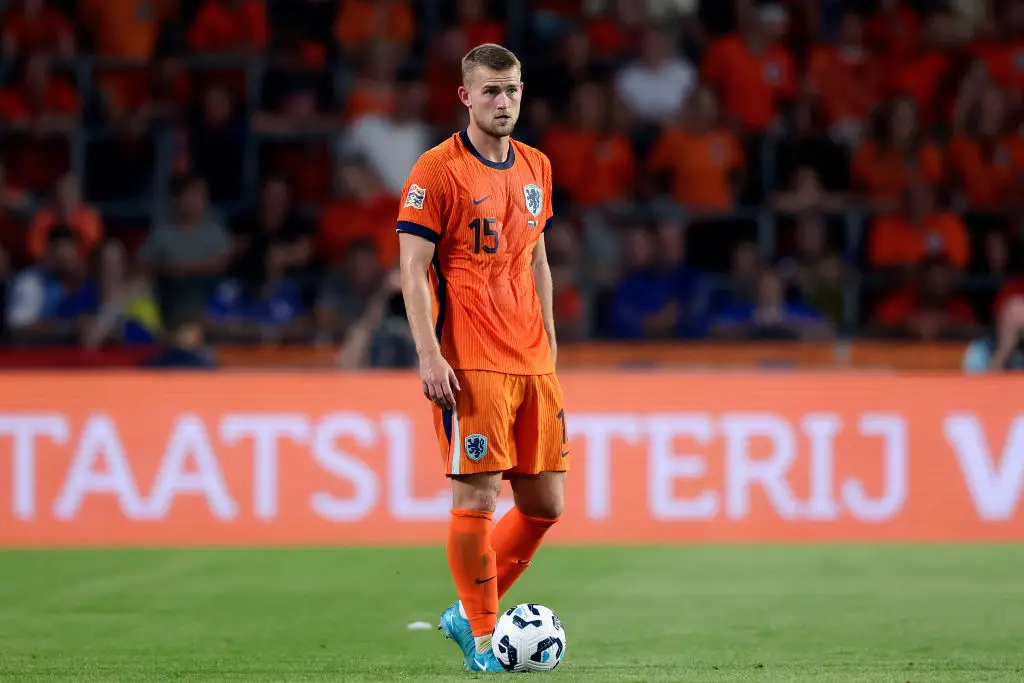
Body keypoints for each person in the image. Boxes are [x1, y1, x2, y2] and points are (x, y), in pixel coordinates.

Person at [395, 43, 567, 673]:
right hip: (471, 360)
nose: (504, 102)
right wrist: (428, 353)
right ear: (466, 96)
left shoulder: (537, 167)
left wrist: (549, 331)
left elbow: (538, 256)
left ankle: (464, 613)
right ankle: (486, 639)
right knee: (476, 502)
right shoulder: (436, 170)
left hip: (531, 361)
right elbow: (411, 269)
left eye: (513, 90)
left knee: (546, 506)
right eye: (491, 91)